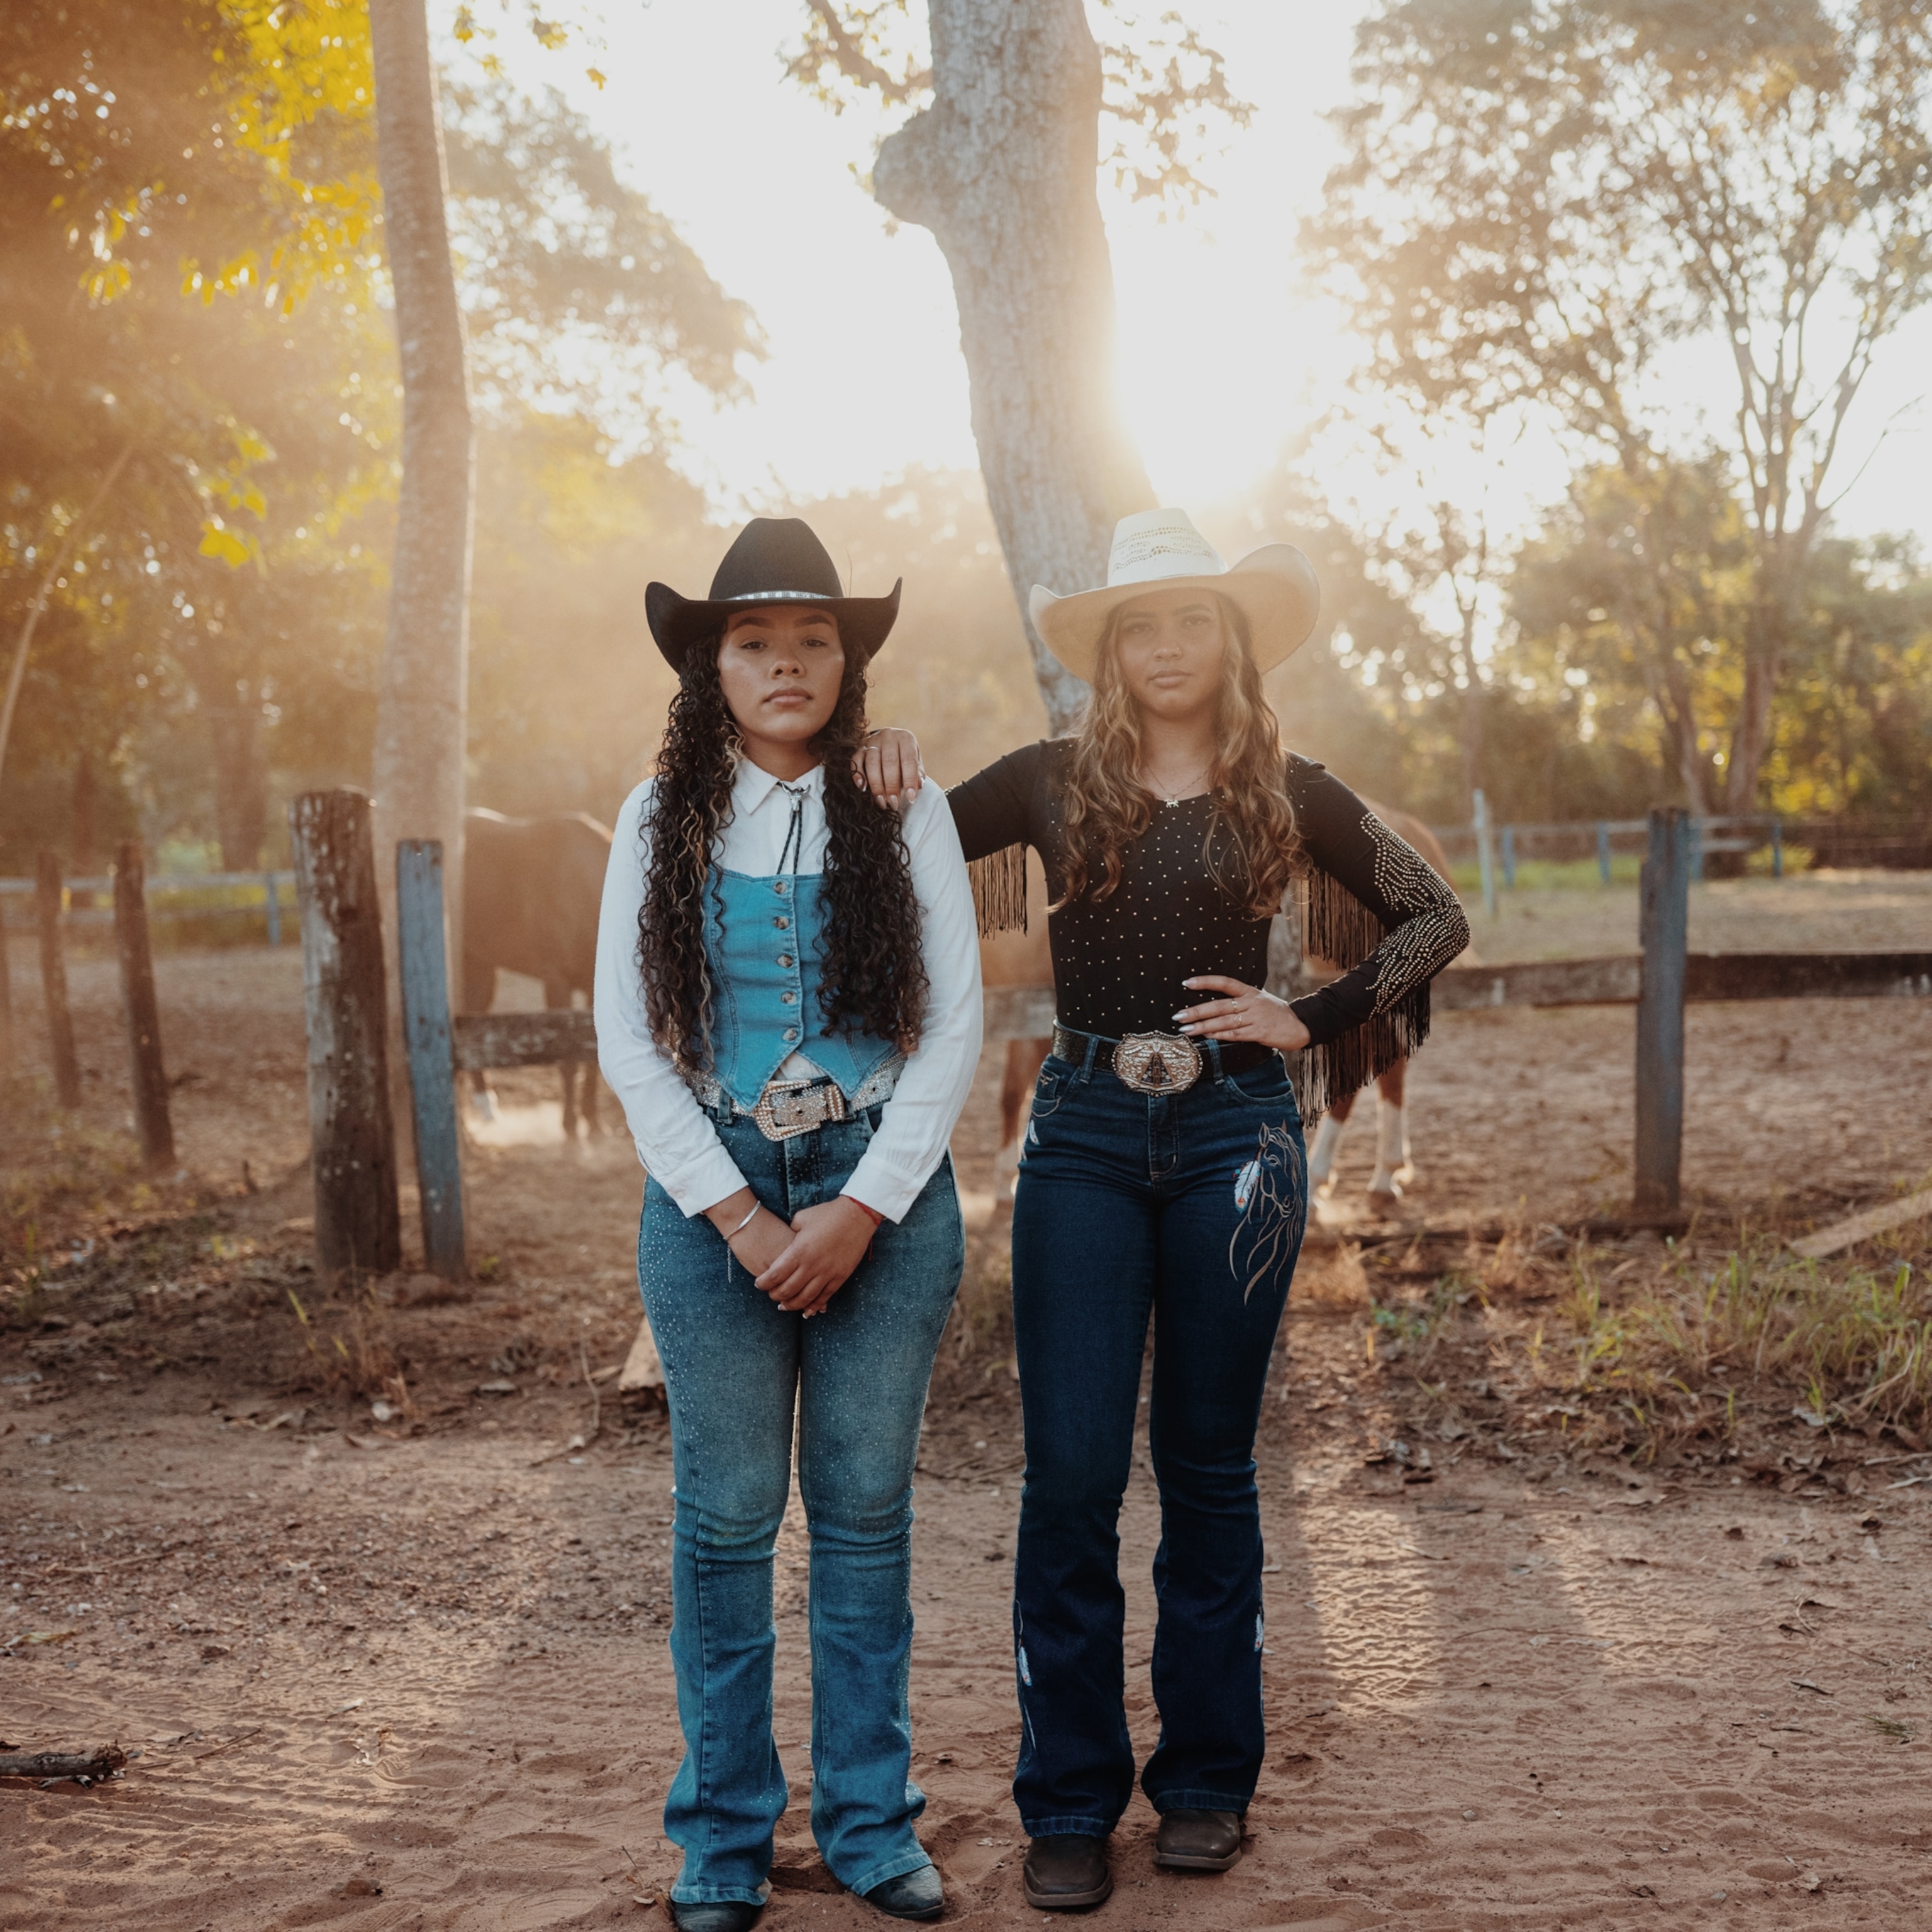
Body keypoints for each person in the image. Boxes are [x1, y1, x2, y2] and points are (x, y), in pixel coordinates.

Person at [859, 509, 1470, 1911]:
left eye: (1192, 617)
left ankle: (1203, 1783)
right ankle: (1069, 1799)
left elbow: (1435, 914)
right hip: (1076, 1139)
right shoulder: (1041, 784)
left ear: (1231, 636)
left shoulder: (1289, 791)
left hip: (1235, 1143)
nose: (1168, 644)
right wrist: (876, 752)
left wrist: (1307, 1018)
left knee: (1207, 1472)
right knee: (1069, 1482)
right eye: (1141, 623)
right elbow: (879, 847)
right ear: (1110, 651)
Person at [595, 518, 984, 1931]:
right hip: (715, 1202)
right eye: (753, 642)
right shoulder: (657, 818)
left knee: (868, 1519)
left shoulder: (902, 802)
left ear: (847, 663)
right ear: (711, 665)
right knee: (726, 1521)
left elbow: (953, 1029)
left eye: (814, 640)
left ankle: (873, 1828)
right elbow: (629, 1044)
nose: (785, 663)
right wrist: (751, 1226)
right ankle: (720, 1836)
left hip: (883, 1183)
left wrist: (865, 1212)